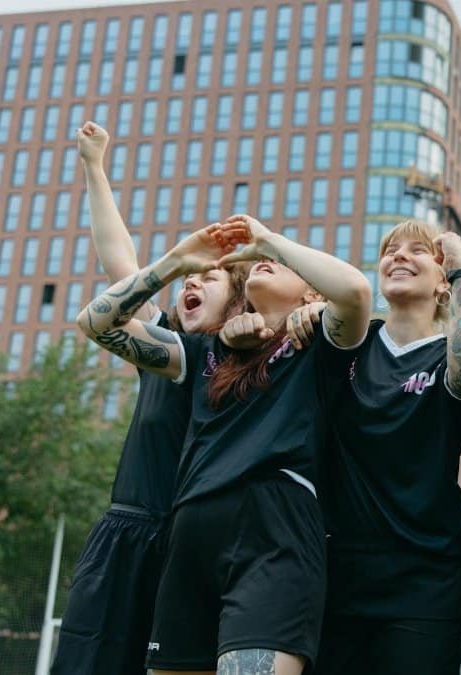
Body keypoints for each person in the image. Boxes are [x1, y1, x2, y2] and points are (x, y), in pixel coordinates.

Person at [76, 215, 371, 675]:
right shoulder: (203, 352)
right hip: (191, 529)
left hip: (273, 529)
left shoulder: (321, 345)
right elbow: (96, 322)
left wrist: (268, 241)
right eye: (257, 261)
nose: (261, 263)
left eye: (275, 263)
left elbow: (354, 292)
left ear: (312, 293)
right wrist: (176, 262)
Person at [51, 122, 249, 675]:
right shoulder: (168, 348)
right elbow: (122, 268)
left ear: (237, 302)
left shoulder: (244, 363)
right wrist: (95, 166)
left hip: (195, 547)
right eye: (190, 277)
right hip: (128, 536)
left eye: (210, 278)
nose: (194, 282)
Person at [310, 221, 461, 674]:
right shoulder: (355, 344)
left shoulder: (453, 350)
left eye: (418, 250)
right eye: (390, 250)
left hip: (425, 586)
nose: (398, 256)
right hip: (340, 582)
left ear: (441, 282)